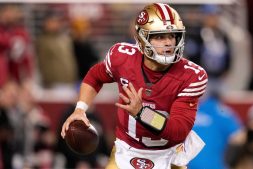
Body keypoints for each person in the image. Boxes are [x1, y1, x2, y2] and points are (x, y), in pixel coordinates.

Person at [61, 3, 208, 169]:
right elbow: (95, 76)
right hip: (127, 151)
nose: (168, 43)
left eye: (172, 36)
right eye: (160, 37)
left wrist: (142, 113)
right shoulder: (122, 57)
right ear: (142, 38)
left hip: (169, 154)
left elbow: (178, 131)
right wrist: (80, 109)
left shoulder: (191, 75)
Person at [188, 92, 246, 169]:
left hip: (189, 165)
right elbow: (240, 138)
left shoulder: (191, 111)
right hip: (214, 165)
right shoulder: (223, 112)